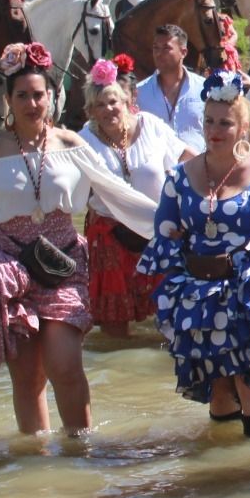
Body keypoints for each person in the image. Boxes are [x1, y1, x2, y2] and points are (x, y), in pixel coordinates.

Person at [0, 43, 157, 434]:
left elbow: (116, 195)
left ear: (52, 97)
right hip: (11, 269)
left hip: (63, 266)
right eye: (22, 95)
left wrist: (171, 223)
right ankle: (36, 455)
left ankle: (80, 448)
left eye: (39, 95)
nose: (32, 104)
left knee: (66, 366)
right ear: (8, 100)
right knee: (28, 377)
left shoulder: (71, 144)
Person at [139, 71, 250, 437]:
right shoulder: (179, 177)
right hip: (199, 296)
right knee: (218, 396)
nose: (214, 130)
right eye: (209, 121)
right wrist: (186, 250)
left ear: (243, 128)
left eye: (225, 123)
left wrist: (231, 258)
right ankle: (219, 467)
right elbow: (164, 232)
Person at [78, 57, 190, 338]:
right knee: (114, 325)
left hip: (160, 231)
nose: (108, 109)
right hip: (110, 236)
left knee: (171, 315)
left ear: (126, 101)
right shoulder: (83, 140)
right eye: (100, 105)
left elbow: (187, 159)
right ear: (91, 111)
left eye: (113, 101)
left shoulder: (150, 125)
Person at [134, 24, 206, 154]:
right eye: (156, 48)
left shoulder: (203, 88)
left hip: (197, 163)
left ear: (183, 52)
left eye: (166, 48)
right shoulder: (139, 92)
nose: (159, 54)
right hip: (157, 164)